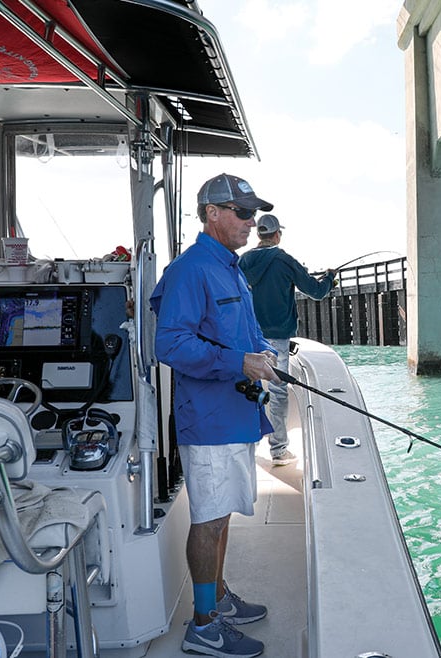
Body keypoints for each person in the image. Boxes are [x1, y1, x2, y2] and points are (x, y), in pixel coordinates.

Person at [150, 173, 278, 658]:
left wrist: (263, 355)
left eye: (253, 213)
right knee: (207, 520)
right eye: (243, 213)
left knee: (221, 516)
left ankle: (219, 597)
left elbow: (245, 332)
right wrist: (240, 362)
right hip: (208, 421)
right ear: (213, 214)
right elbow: (172, 344)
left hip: (236, 415)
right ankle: (203, 626)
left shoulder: (230, 266)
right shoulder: (191, 269)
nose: (251, 222)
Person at [238, 213, 336, 466]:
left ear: (259, 234)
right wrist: (329, 278)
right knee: (279, 391)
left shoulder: (242, 261)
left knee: (247, 389)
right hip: (277, 338)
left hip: (247, 338)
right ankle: (279, 450)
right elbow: (316, 292)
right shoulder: (283, 260)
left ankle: (245, 449)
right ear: (277, 234)